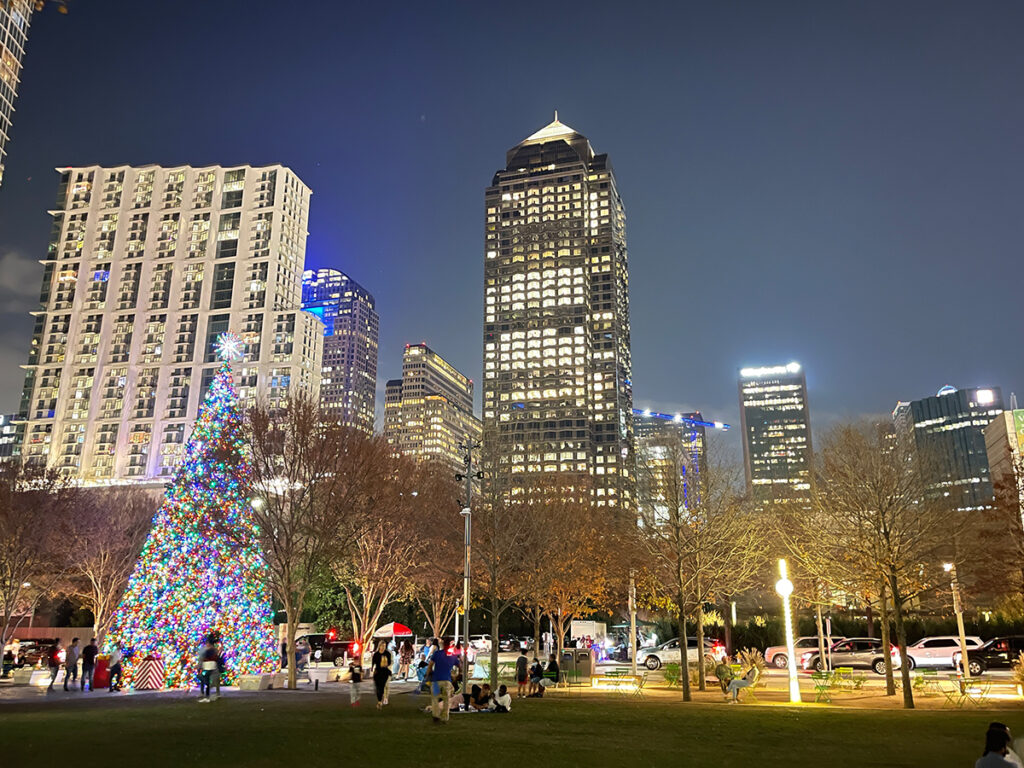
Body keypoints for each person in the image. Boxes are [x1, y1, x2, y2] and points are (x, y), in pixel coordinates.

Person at [427, 640, 457, 724]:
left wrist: (427, 674)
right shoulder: (452, 655)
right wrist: (457, 675)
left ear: (443, 645)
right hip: (447, 680)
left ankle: (436, 716)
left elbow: (430, 665)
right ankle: (444, 717)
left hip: (436, 680)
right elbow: (460, 665)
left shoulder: (437, 654)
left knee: (435, 699)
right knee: (446, 700)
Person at [371, 640, 393, 710]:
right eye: (382, 646)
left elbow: (389, 662)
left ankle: (380, 701)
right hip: (378, 672)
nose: (383, 647)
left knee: (382, 686)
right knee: (378, 687)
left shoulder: (387, 654)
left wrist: (386, 663)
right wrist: (372, 669)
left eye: (384, 646)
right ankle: (379, 700)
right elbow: (373, 662)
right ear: (379, 646)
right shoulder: (376, 654)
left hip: (384, 672)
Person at [199, 637, 222, 702]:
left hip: (209, 666)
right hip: (209, 666)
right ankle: (208, 694)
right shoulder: (212, 650)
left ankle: (208, 695)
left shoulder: (210, 650)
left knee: (207, 680)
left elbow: (205, 658)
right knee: (207, 680)